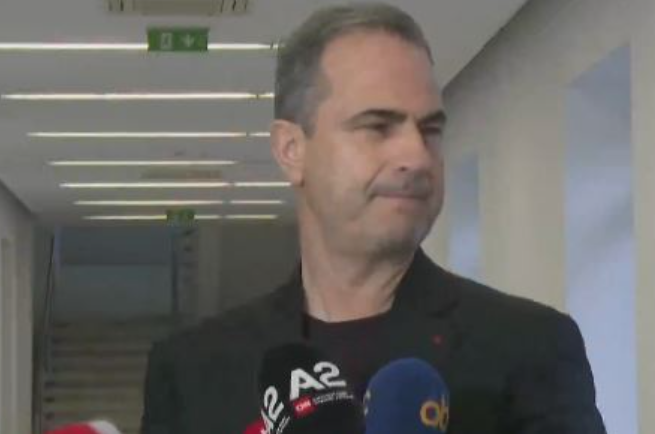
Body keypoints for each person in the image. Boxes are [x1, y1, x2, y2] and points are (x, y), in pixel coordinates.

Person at [141, 4, 606, 434]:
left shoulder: (530, 348)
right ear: (291, 150)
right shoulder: (192, 369)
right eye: (378, 127)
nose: (416, 156)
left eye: (430, 129)